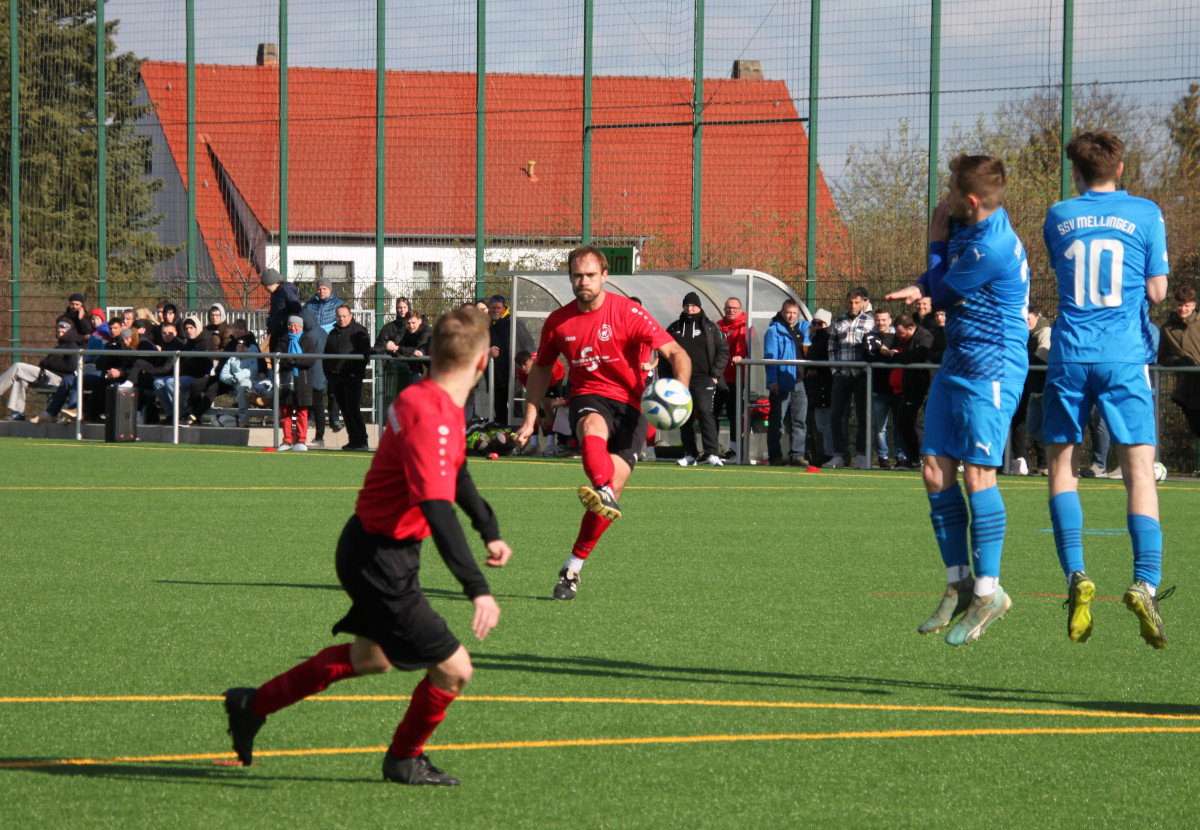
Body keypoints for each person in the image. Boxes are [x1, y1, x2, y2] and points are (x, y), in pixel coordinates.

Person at [222, 308, 513, 786]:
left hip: (369, 546)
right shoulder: (434, 415)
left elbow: (455, 472)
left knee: (371, 658)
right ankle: (404, 758)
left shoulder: (423, 397)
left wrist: (489, 528)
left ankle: (253, 703)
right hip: (382, 558)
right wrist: (477, 588)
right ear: (483, 364)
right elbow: (438, 509)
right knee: (455, 670)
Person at [885, 153, 1030, 646]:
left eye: (949, 192)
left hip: (994, 364)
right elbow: (941, 280)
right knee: (932, 468)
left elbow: (945, 290)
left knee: (977, 474)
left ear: (970, 201)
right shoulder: (976, 222)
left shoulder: (994, 243)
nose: (943, 199)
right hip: (960, 359)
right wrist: (923, 281)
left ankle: (990, 593)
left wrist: (932, 241)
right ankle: (958, 581)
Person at [1041, 130, 1172, 649]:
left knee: (1062, 467)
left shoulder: (1058, 215)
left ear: (1076, 172)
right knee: (1139, 471)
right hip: (1124, 356)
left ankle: (1076, 574)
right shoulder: (1145, 212)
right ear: (1120, 168)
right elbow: (1158, 291)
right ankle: (1144, 582)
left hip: (1070, 354)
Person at [513, 245, 690, 600]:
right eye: (577, 275)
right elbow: (541, 370)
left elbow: (676, 353)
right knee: (592, 429)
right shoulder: (559, 322)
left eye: (590, 275)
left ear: (605, 275)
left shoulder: (629, 312)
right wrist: (531, 417)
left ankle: (572, 568)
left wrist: (680, 392)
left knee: (609, 496)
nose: (583, 282)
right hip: (589, 396)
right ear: (570, 278)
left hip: (632, 405)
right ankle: (602, 486)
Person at [666, 292, 729, 467]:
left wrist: (715, 375)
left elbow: (723, 351)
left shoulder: (710, 328)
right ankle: (690, 454)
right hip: (680, 381)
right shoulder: (674, 328)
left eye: (693, 305)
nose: (690, 308)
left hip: (704, 379)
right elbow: (664, 353)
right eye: (687, 305)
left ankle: (712, 453)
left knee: (704, 413)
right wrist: (666, 380)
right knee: (684, 417)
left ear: (699, 307)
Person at [826, 287, 875, 469]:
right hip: (842, 375)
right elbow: (832, 347)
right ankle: (839, 454)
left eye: (856, 302)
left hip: (862, 375)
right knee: (836, 416)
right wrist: (835, 371)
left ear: (864, 302)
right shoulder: (839, 322)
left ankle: (862, 454)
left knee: (863, 417)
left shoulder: (871, 322)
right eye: (850, 302)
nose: (853, 306)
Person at [1, 317, 86, 420]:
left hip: (57, 379)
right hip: (46, 375)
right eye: (58, 332)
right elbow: (45, 363)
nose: (60, 334)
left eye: (63, 332)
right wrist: (47, 363)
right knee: (20, 378)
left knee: (18, 367)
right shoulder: (60, 345)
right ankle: (19, 412)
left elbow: (71, 366)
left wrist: (49, 363)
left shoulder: (72, 345)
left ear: (69, 331)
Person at [877, 313, 933, 469]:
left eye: (901, 333)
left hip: (922, 385)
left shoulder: (924, 337)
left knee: (908, 420)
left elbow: (917, 357)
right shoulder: (905, 338)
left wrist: (897, 356)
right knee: (905, 421)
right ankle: (915, 458)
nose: (899, 337)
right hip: (909, 385)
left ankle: (920, 458)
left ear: (911, 328)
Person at [763, 299, 808, 467]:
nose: (791, 316)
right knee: (777, 422)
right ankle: (775, 456)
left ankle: (797, 455)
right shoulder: (774, 331)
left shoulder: (803, 329)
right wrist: (772, 380)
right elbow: (770, 357)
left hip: (799, 382)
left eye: (794, 313)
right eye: (788, 312)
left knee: (799, 421)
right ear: (782, 312)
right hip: (781, 382)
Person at [325, 305, 373, 451]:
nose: (341, 319)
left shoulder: (358, 331)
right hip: (336, 378)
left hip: (352, 377)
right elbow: (325, 356)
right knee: (345, 410)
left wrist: (356, 372)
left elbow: (366, 355)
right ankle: (353, 440)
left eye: (344, 316)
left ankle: (362, 441)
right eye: (339, 316)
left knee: (353, 408)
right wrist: (329, 374)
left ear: (350, 316)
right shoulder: (333, 333)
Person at [1158, 285, 1200, 447]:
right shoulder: (1167, 329)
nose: (1183, 309)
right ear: (1174, 305)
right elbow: (1163, 357)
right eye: (1180, 305)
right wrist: (1178, 360)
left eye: (1187, 305)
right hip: (1186, 390)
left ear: (1194, 305)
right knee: (1196, 428)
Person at [304, 277, 346, 441]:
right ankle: (313, 415)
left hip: (331, 349)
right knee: (314, 386)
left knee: (333, 385)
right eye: (319, 288)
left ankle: (334, 417)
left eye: (325, 289)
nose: (322, 291)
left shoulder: (338, 304)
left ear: (330, 290)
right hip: (314, 348)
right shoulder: (309, 305)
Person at [487, 295, 534, 423]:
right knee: (499, 410)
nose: (495, 310)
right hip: (496, 377)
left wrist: (527, 368)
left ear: (504, 308)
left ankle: (520, 438)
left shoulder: (514, 323)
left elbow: (529, 344)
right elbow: (476, 347)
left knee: (516, 410)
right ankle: (503, 440)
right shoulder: (488, 325)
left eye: (498, 308)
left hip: (515, 376)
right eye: (493, 308)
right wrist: (488, 350)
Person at [863, 308, 898, 468]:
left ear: (890, 321)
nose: (881, 323)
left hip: (898, 389)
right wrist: (885, 353)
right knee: (880, 427)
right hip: (878, 388)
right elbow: (868, 354)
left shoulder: (898, 336)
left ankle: (901, 456)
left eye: (884, 320)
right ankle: (883, 457)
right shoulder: (869, 336)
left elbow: (901, 355)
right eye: (878, 320)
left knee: (900, 425)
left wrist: (891, 354)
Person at [277, 315, 318, 451]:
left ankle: (301, 440)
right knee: (285, 412)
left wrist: (294, 361)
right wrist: (290, 361)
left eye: (296, 325)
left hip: (303, 381)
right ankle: (287, 440)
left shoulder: (308, 341)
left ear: (301, 327)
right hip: (286, 381)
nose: (293, 328)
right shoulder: (282, 341)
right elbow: (278, 359)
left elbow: (310, 360)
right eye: (290, 325)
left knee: (302, 412)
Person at [715, 297, 749, 458]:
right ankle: (712, 448)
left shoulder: (745, 324)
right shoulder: (719, 326)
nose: (731, 311)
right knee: (710, 412)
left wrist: (739, 356)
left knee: (734, 413)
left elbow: (741, 344)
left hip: (736, 377)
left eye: (734, 308)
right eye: (728, 308)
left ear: (740, 309)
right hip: (719, 377)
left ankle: (734, 449)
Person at [804, 308, 834, 465]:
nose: (816, 326)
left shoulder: (826, 339)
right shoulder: (813, 339)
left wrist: (815, 368)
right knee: (819, 424)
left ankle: (829, 454)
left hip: (825, 386)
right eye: (814, 323)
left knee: (825, 423)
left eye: (820, 323)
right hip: (816, 387)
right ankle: (823, 453)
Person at [261, 267, 303, 352]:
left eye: (265, 286)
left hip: (284, 334)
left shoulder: (286, 290)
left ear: (271, 283)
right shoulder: (275, 294)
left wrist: (284, 321)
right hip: (276, 331)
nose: (265, 289)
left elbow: (296, 308)